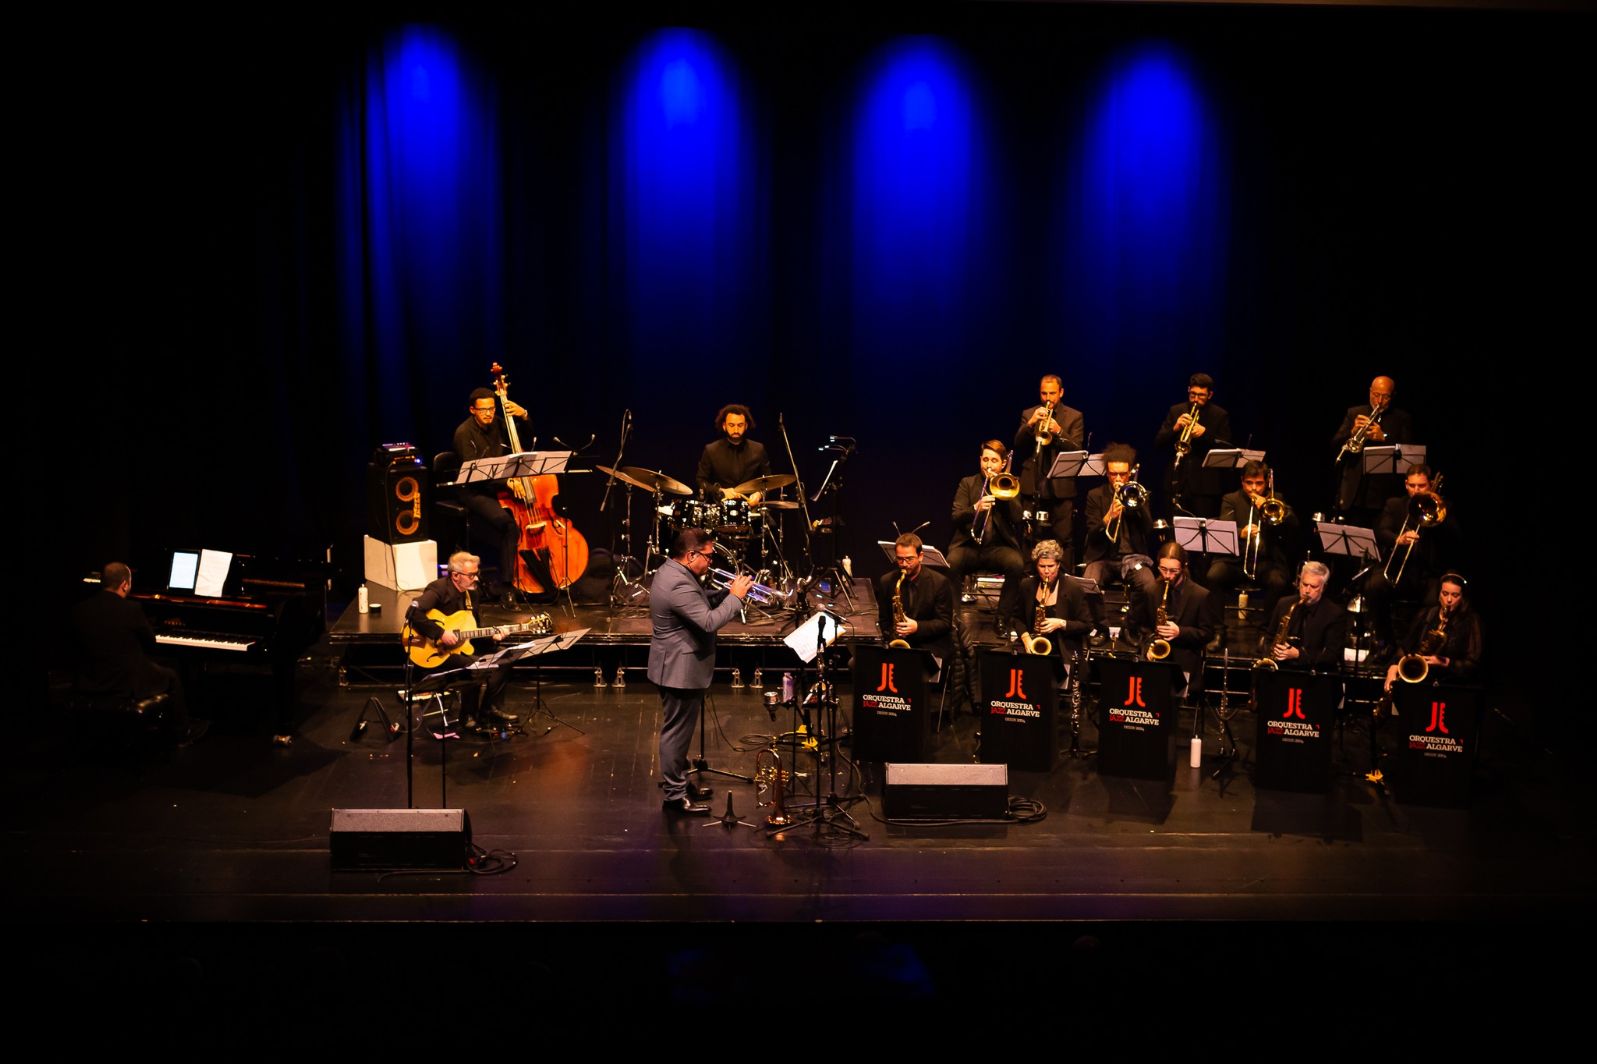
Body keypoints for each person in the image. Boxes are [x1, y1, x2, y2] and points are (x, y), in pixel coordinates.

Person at [648, 528, 753, 816]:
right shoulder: (678, 584)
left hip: (674, 665)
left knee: (679, 732)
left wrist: (722, 593)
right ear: (691, 554)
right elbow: (708, 622)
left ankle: (679, 783)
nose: (711, 562)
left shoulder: (672, 571)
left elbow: (697, 600)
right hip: (679, 670)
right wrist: (735, 598)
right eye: (707, 556)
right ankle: (674, 796)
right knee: (676, 734)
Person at [70, 562, 207, 745]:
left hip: (89, 680)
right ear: (125, 584)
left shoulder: (80, 609)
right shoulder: (131, 609)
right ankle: (182, 732)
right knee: (172, 674)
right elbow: (151, 644)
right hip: (124, 683)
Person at [405, 551, 520, 728]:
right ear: (456, 575)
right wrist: (440, 633)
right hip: (435, 653)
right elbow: (413, 613)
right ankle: (467, 716)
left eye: (476, 574)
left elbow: (472, 632)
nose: (475, 579)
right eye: (471, 575)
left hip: (460, 648)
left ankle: (490, 709)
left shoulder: (471, 595)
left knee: (504, 656)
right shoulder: (439, 589)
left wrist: (492, 637)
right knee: (476, 665)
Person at [1362, 464, 1462, 644]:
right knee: (1373, 586)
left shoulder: (1443, 506)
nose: (1416, 490)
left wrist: (1439, 511)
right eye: (1412, 485)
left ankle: (1416, 646)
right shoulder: (1395, 504)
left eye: (1421, 486)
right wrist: (1398, 539)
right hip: (1402, 570)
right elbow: (1381, 531)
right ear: (1406, 484)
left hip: (1428, 574)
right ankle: (1385, 641)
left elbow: (1456, 536)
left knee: (1435, 602)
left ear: (1430, 484)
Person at [452, 386, 532, 600]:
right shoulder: (463, 433)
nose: (488, 413)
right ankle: (507, 587)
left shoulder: (499, 424)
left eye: (491, 408)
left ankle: (532, 576)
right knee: (509, 525)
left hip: (499, 487)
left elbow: (525, 441)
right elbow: (476, 472)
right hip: (475, 491)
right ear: (472, 410)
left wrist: (524, 416)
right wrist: (507, 481)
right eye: (483, 410)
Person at [1082, 444, 1158, 639]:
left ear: (1130, 473)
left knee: (1149, 586)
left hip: (1132, 558)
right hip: (1103, 557)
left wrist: (1137, 505)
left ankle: (1131, 628)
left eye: (1122, 474)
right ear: (1106, 473)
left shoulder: (1139, 493)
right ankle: (1101, 628)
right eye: (1113, 474)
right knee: (1089, 583)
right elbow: (1092, 534)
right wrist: (1108, 517)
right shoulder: (1095, 496)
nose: (1117, 479)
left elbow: (1148, 529)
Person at [1204, 460, 1299, 618]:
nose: (1253, 488)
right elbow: (1224, 528)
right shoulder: (1231, 499)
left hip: (1266, 561)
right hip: (1235, 560)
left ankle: (1267, 631)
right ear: (1242, 481)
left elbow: (1294, 524)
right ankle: (1218, 631)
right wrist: (1241, 532)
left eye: (1259, 483)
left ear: (1267, 482)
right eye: (1249, 483)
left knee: (1278, 581)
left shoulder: (1277, 499)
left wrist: (1266, 505)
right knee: (1213, 575)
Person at [1012, 374, 1086, 567]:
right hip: (1033, 484)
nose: (1048, 398)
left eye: (1052, 393)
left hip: (1061, 487)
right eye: (1044, 393)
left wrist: (1059, 432)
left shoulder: (1074, 416)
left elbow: (1078, 449)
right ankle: (1029, 577)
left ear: (1061, 392)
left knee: (1063, 537)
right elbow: (1017, 444)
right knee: (1030, 534)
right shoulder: (1029, 413)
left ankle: (1064, 578)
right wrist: (1030, 424)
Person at [1130, 541, 1217, 695]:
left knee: (1171, 699)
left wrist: (1180, 632)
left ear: (1184, 567)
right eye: (1163, 569)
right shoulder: (1150, 591)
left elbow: (1207, 633)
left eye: (1173, 571)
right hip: (1156, 657)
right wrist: (1149, 645)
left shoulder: (1200, 595)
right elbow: (1141, 626)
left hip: (1185, 658)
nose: (1167, 575)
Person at [947, 439, 1027, 600]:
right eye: (985, 460)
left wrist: (1006, 495)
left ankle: (1002, 620)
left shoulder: (1011, 483)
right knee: (952, 563)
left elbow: (1018, 518)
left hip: (998, 548)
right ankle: (953, 619)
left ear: (1003, 463)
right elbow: (956, 516)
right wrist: (975, 508)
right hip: (969, 546)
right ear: (980, 460)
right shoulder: (967, 483)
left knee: (1016, 565)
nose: (988, 465)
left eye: (994, 460)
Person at [1332, 375, 1414, 523]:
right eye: (1376, 395)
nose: (1380, 401)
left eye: (1385, 396)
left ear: (1393, 396)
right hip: (1354, 493)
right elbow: (1335, 444)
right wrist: (1352, 432)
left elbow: (1409, 455)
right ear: (1370, 392)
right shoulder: (1354, 413)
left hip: (1383, 495)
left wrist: (1384, 437)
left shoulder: (1402, 418)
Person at [998, 539, 1093, 665]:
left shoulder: (1073, 588)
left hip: (1062, 649)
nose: (1046, 571)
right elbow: (1017, 618)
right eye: (1042, 566)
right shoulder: (1027, 585)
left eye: (1051, 566)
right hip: (1032, 643)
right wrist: (1026, 638)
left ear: (1058, 564)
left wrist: (1061, 623)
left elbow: (1087, 625)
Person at [1383, 573, 1481, 692]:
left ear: (1462, 598)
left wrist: (1445, 662)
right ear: (1439, 594)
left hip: (1452, 687)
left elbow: (1472, 665)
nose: (1449, 600)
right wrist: (1393, 667)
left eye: (1455, 595)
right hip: (1421, 683)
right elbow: (1405, 648)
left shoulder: (1470, 620)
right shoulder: (1426, 615)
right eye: (1445, 594)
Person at [1154, 373, 1232, 517]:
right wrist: (1175, 428)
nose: (1196, 399)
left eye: (1201, 395)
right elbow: (1158, 442)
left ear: (1210, 395)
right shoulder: (1176, 410)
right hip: (1176, 482)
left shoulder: (1219, 415)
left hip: (1205, 487)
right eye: (1193, 394)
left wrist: (1205, 434)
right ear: (1188, 389)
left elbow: (1227, 447)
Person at [877, 533, 956, 666]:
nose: (904, 564)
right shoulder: (887, 581)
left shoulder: (939, 582)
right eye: (900, 559)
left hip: (929, 643)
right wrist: (892, 634)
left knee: (914, 668)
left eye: (909, 559)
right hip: (898, 643)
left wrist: (918, 627)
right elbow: (884, 620)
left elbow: (945, 623)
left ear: (920, 557)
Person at [1259, 561, 1346, 670]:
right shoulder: (1284, 604)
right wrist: (1271, 653)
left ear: (1323, 588)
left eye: (1314, 586)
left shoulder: (1335, 614)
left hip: (1315, 675)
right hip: (1281, 668)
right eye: (1304, 584)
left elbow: (1332, 655)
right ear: (1299, 582)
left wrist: (1299, 655)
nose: (1307, 591)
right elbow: (1269, 637)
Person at [696, 404, 772, 503]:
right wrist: (720, 491)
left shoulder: (758, 449)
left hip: (751, 509)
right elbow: (701, 481)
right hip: (721, 507)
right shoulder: (711, 450)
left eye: (740, 425)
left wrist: (759, 494)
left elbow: (768, 482)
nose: (736, 430)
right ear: (724, 426)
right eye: (731, 425)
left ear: (746, 426)